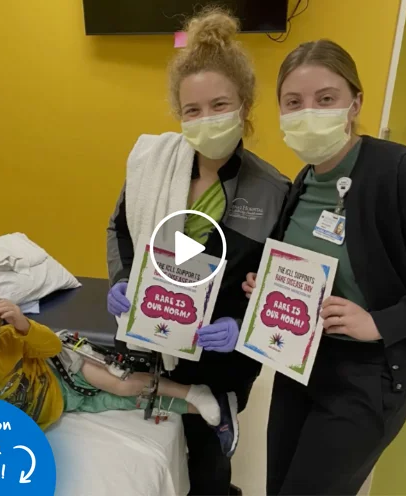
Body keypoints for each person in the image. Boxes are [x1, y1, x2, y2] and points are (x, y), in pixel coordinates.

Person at [243, 39, 406, 495]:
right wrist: (266, 285)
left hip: (366, 379)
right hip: (298, 366)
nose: (309, 113)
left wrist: (379, 322)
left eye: (326, 99)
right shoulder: (305, 179)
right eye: (293, 102)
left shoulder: (399, 172)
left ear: (355, 102)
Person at [106, 7, 290, 494]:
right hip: (151, 332)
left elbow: (279, 287)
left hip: (219, 356)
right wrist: (123, 279)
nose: (205, 119)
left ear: (245, 105)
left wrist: (244, 329)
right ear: (178, 114)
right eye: (192, 110)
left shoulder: (272, 191)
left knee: (208, 462)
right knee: (152, 448)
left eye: (219, 105)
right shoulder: (153, 165)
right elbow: (119, 229)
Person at [0, 279, 242, 455]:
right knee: (126, 402)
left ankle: (194, 391)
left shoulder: (10, 338)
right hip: (64, 403)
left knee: (122, 384)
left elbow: (50, 346)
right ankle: (199, 408)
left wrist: (23, 326)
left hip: (60, 368)